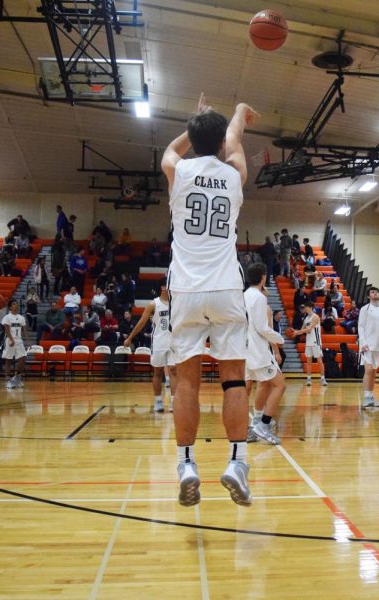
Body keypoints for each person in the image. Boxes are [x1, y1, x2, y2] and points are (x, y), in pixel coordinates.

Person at [162, 93, 259, 507]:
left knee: (186, 381)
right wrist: (237, 113)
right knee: (234, 379)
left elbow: (170, 149)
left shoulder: (178, 171)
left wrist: (197, 122)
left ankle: (187, 464)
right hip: (224, 288)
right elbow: (235, 141)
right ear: (220, 142)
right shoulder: (233, 174)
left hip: (184, 289)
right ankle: (236, 462)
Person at [243, 263, 285, 445]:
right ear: (263, 277)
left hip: (245, 350)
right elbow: (262, 328)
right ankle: (263, 425)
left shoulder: (243, 296)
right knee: (280, 386)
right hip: (258, 351)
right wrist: (279, 339)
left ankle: (251, 426)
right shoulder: (259, 298)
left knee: (262, 385)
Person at [122, 278, 178, 413]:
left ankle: (174, 402)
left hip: (174, 342)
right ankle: (158, 401)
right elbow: (141, 322)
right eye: (169, 285)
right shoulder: (154, 304)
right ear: (162, 287)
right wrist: (130, 337)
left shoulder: (177, 303)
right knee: (158, 372)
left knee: (174, 371)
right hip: (159, 342)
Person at [357, 287, 379, 408]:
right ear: (368, 296)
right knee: (368, 370)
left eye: (377, 292)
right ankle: (367, 397)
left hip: (378, 345)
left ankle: (371, 396)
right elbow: (360, 326)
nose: (375, 293)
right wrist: (363, 343)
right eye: (372, 292)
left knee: (373, 372)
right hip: (366, 344)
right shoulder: (365, 309)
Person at [288, 301, 327, 387]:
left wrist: (298, 332)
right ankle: (309, 379)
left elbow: (308, 329)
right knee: (308, 361)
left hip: (316, 342)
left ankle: (323, 379)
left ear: (310, 307)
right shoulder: (306, 318)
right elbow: (302, 329)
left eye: (305, 307)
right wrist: (296, 332)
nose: (304, 309)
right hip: (308, 342)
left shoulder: (315, 317)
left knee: (319, 361)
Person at [1, 299, 27, 390]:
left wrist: (28, 341)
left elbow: (24, 329)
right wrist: (11, 340)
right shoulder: (7, 317)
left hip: (19, 340)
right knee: (8, 360)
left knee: (23, 358)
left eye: (17, 304)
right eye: (14, 304)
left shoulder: (21, 318)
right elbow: (6, 330)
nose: (16, 305)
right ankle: (8, 380)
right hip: (9, 340)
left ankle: (17, 378)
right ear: (10, 307)